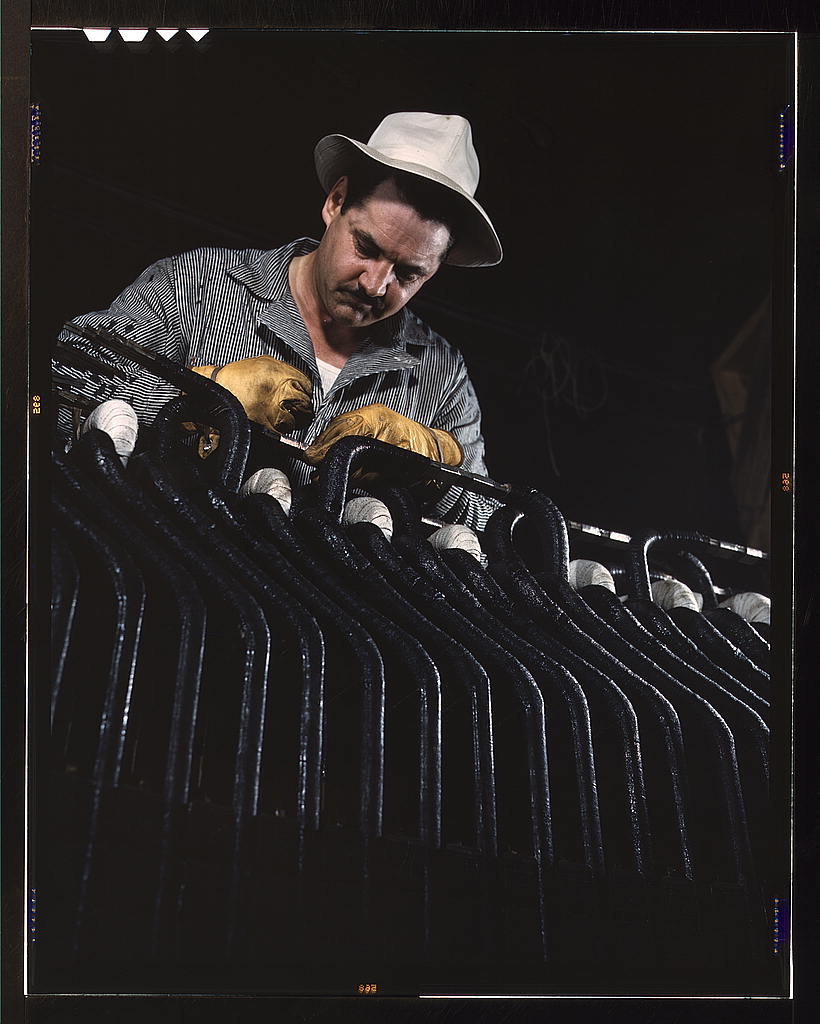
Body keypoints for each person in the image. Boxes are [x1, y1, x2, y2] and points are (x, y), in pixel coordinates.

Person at [56, 111, 504, 530]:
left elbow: (491, 528)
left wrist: (433, 466)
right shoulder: (193, 285)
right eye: (365, 248)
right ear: (336, 202)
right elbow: (57, 386)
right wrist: (200, 394)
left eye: (408, 274)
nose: (375, 284)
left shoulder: (442, 376)